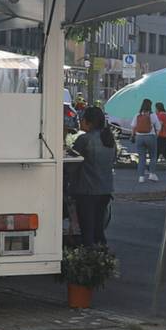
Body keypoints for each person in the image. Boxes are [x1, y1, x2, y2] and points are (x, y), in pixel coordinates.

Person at [69, 105, 117, 245]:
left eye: (82, 119)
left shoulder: (85, 139)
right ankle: (102, 255)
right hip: (105, 189)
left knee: (87, 228)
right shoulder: (109, 139)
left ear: (88, 122)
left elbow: (72, 163)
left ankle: (90, 256)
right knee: (98, 227)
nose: (80, 122)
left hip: (87, 190)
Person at [134, 99, 159, 183]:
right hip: (150, 136)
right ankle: (152, 174)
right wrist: (156, 135)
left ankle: (141, 177)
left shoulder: (138, 114)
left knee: (141, 157)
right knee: (153, 156)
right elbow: (158, 127)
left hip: (139, 137)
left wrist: (133, 135)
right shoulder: (152, 115)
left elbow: (133, 126)